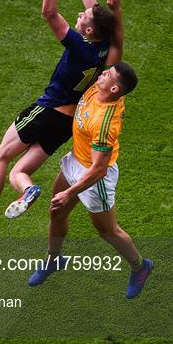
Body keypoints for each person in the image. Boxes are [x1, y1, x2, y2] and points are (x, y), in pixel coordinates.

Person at [0, 0, 124, 237]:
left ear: (90, 31)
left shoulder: (79, 47)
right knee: (19, 170)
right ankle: (15, 199)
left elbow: (48, 11)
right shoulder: (104, 49)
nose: (80, 13)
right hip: (65, 124)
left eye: (83, 18)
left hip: (47, 110)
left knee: (1, 155)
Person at [28, 62, 153, 299]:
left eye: (107, 74)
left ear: (115, 89)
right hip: (76, 160)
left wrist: (69, 193)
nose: (102, 73)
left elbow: (99, 170)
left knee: (107, 231)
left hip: (95, 178)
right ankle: (54, 260)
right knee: (57, 212)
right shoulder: (99, 87)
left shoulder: (105, 124)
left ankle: (140, 266)